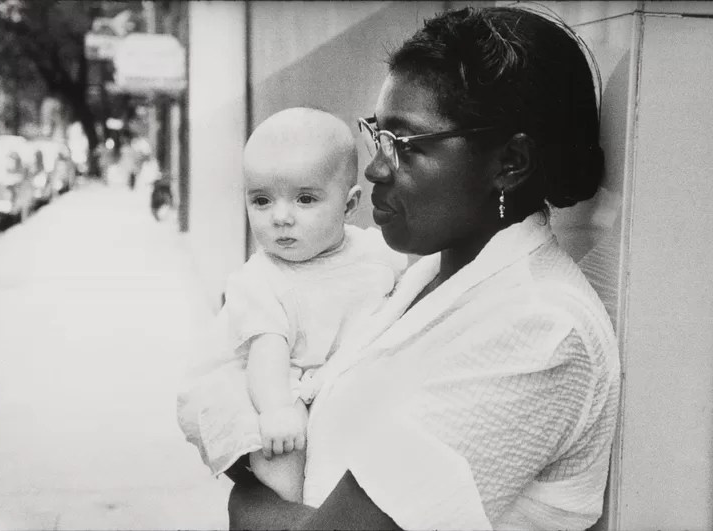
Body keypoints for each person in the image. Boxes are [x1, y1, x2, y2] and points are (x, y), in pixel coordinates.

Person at [224, 6, 620, 530]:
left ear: (510, 163)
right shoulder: (422, 275)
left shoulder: (543, 332)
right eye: (376, 134)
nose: (374, 167)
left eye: (404, 145)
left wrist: (246, 500)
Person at [177, 108, 407, 503]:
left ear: (349, 206)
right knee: (282, 452)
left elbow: (400, 296)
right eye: (262, 200)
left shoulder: (373, 253)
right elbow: (267, 351)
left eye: (305, 199)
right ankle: (293, 508)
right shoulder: (260, 280)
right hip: (282, 384)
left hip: (344, 377)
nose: (281, 218)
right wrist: (277, 409)